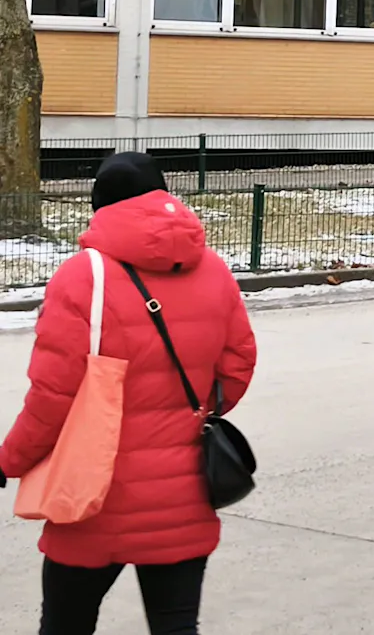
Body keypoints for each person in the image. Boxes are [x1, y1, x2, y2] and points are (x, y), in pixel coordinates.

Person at [0, 152, 258, 635]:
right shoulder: (213, 270)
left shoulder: (83, 278)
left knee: (65, 625)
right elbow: (238, 362)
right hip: (185, 495)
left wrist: (9, 460)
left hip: (94, 497)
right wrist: (195, 410)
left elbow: (52, 398)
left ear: (99, 203)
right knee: (176, 626)